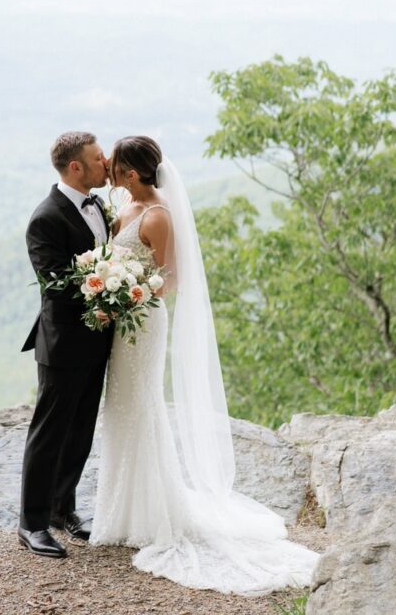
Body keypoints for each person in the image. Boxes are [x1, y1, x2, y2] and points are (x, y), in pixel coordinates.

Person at [89, 135, 321, 595]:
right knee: (120, 409)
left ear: (133, 174)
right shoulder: (126, 207)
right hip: (121, 323)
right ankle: (123, 509)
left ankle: (153, 512)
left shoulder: (157, 215)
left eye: (116, 171)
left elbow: (169, 277)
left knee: (142, 408)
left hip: (142, 321)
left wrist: (127, 294)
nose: (111, 177)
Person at [18, 131, 114, 558]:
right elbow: (55, 285)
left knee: (80, 430)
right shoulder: (46, 218)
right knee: (49, 433)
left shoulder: (100, 207)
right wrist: (111, 288)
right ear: (75, 167)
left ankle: (63, 509)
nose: (106, 162)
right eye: (98, 158)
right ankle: (32, 523)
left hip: (99, 338)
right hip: (62, 344)